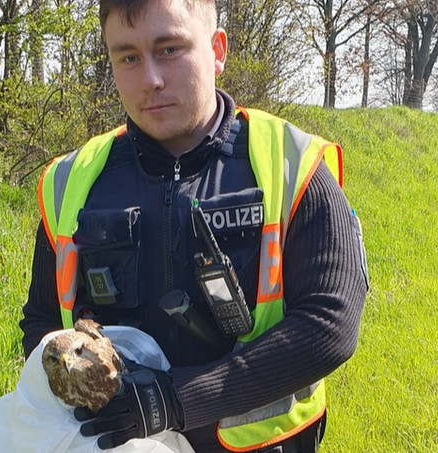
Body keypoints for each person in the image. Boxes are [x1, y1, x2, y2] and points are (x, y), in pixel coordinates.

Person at [19, 0, 368, 451]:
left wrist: (177, 401)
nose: (150, 80)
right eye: (128, 57)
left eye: (169, 49)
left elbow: (330, 324)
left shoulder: (291, 164)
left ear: (217, 49)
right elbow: (42, 322)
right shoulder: (70, 182)